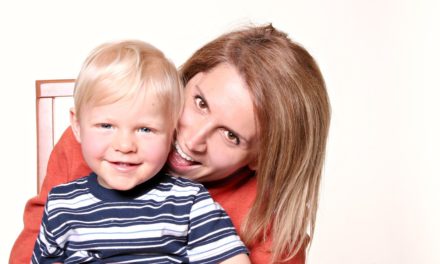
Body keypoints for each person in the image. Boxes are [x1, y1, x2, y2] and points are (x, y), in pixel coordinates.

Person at [11, 24, 331, 264]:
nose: (192, 140)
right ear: (187, 79)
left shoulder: (260, 219)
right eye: (200, 102)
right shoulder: (103, 141)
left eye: (231, 136)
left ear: (260, 158)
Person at [31, 40, 250, 263]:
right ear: (77, 126)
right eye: (106, 126)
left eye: (146, 129)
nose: (125, 146)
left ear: (171, 132)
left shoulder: (188, 201)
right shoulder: (61, 204)